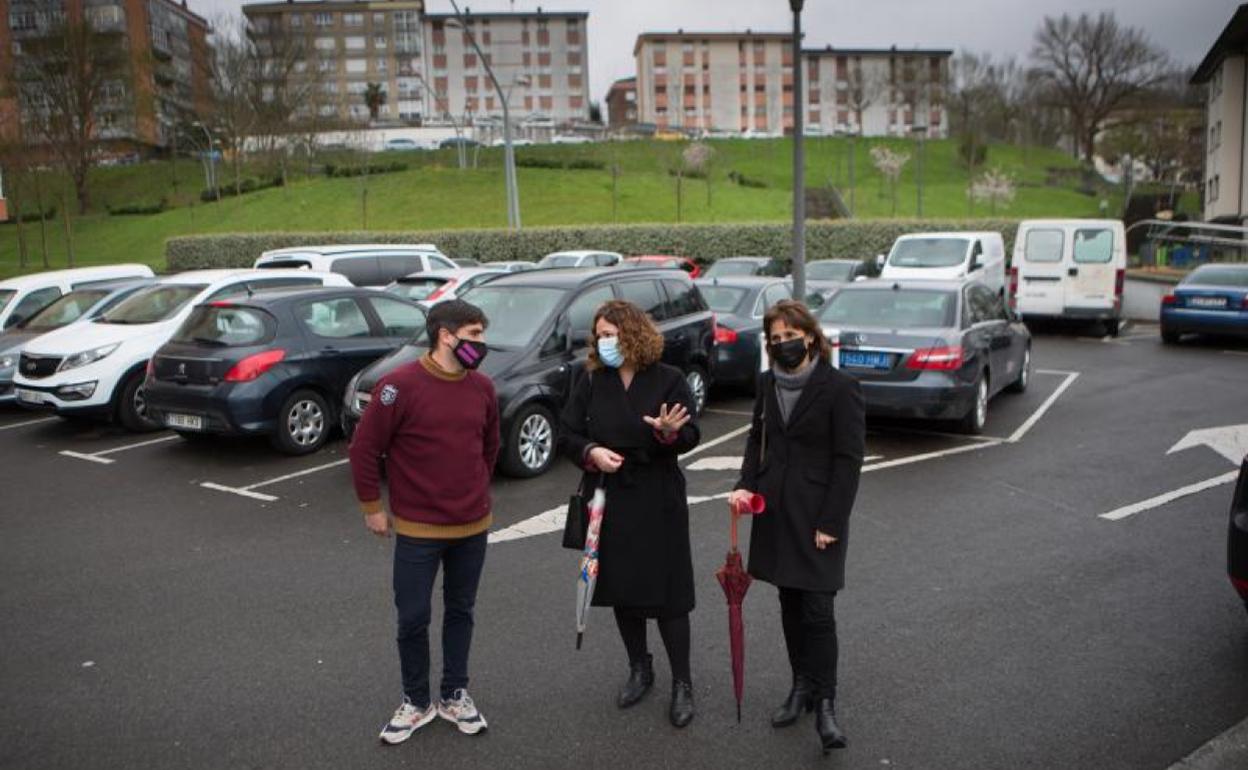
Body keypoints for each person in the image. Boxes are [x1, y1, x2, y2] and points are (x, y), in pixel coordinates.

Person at [348, 299, 499, 745]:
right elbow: (364, 449)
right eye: (474, 336)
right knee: (412, 618)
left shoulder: (482, 387)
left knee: (461, 610)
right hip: (417, 531)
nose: (481, 345)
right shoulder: (399, 387)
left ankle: (454, 694)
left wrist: (474, 489)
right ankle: (416, 701)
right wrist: (372, 507)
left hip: (472, 526)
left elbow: (489, 446)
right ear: (445, 335)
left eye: (482, 335)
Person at [729, 300, 865, 754]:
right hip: (775, 512)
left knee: (818, 611)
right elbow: (756, 437)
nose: (783, 344)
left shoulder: (840, 387)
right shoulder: (767, 384)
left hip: (818, 516)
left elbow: (848, 461)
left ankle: (826, 704)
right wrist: (744, 485)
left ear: (809, 336)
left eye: (791, 335)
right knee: (789, 602)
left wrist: (832, 521)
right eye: (775, 338)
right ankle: (800, 687)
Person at [559, 299, 702, 728]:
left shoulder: (669, 379)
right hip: (611, 496)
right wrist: (591, 451)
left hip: (658, 497)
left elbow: (691, 433)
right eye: (599, 335)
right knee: (622, 589)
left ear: (633, 333)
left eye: (611, 334)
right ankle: (640, 668)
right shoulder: (590, 380)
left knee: (669, 594)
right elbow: (568, 432)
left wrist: (669, 434)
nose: (604, 342)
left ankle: (682, 682)